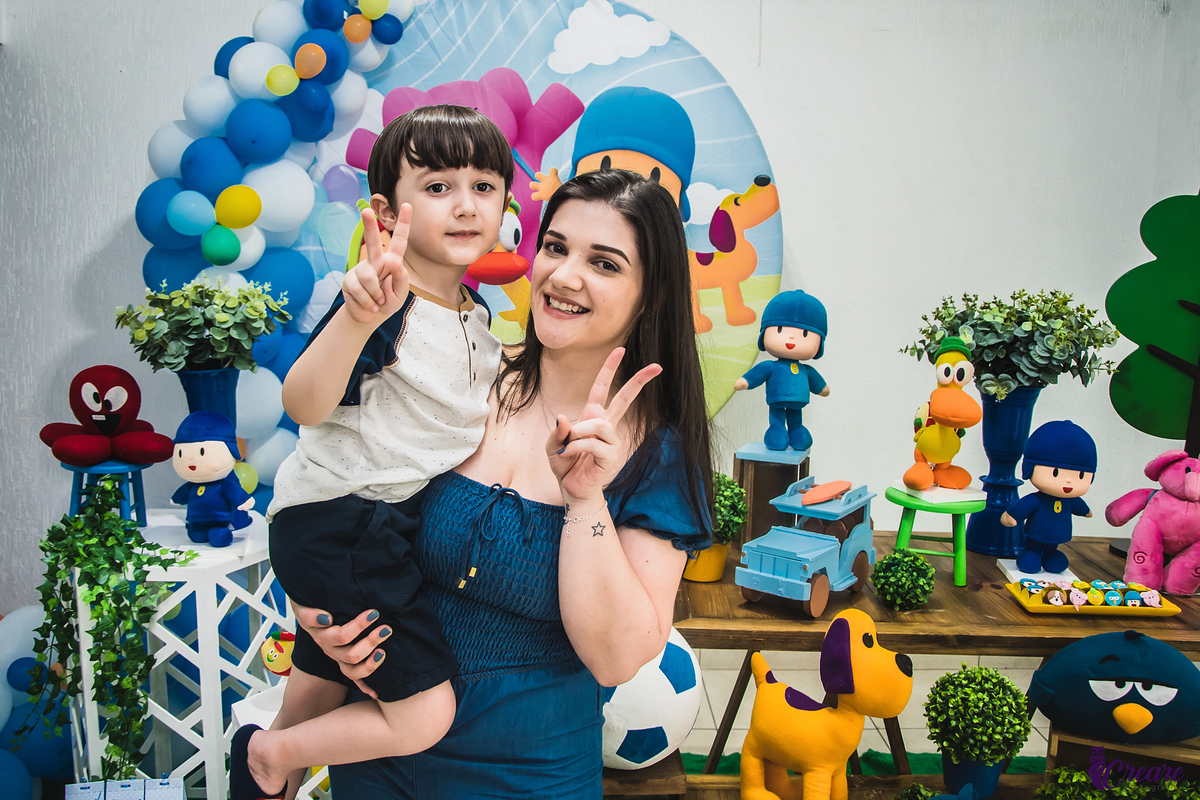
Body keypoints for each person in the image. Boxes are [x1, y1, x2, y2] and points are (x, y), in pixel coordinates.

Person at [292, 168, 713, 798]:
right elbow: (340, 505)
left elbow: (616, 657)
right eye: (555, 247)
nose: (564, 276)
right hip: (377, 755)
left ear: (650, 295)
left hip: (529, 776)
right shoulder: (462, 378)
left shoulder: (657, 453)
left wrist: (584, 498)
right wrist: (322, 617)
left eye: (604, 263)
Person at [229, 104, 513, 800]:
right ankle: (269, 754)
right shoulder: (385, 300)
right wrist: (357, 319)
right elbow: (304, 405)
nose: (465, 204)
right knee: (423, 713)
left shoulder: (473, 313)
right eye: (439, 186)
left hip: (377, 529)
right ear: (388, 210)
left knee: (314, 696)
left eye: (483, 185)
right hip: (344, 523)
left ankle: (270, 773)